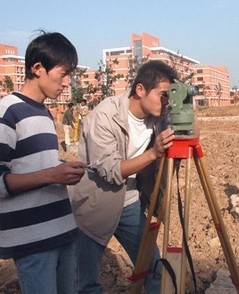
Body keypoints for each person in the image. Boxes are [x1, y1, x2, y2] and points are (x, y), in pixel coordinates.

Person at [70, 60, 178, 293]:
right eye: (162, 95)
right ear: (140, 90)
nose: (166, 101)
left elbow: (189, 137)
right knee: (86, 282)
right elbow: (111, 170)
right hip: (95, 203)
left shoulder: (159, 114)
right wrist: (153, 153)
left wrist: (187, 110)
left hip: (129, 201)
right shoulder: (105, 115)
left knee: (153, 267)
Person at [0, 32, 86, 293]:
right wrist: (52, 175)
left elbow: (36, 164)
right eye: (62, 74)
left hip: (62, 233)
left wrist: (64, 170)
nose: (66, 83)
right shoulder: (8, 112)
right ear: (38, 68)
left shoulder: (44, 113)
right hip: (33, 243)